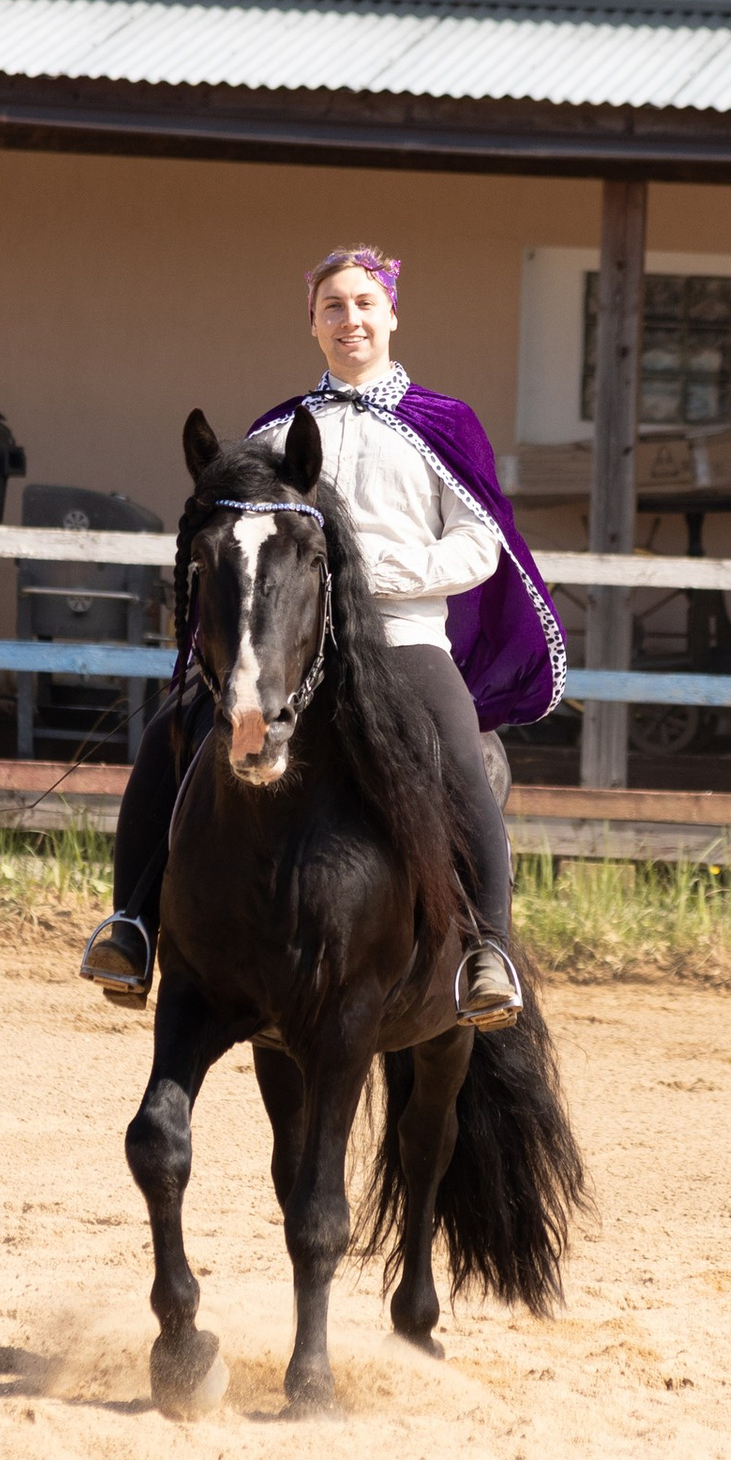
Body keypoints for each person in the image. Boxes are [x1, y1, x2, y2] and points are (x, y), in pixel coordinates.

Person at [80, 244, 566, 1026]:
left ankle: (488, 951)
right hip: (289, 646)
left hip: (405, 639)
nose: (351, 320)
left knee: (460, 752)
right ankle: (133, 924)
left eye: (365, 304)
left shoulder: (445, 425)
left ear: (392, 315)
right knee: (173, 732)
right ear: (313, 324)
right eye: (333, 307)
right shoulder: (274, 434)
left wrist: (378, 576)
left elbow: (480, 548)